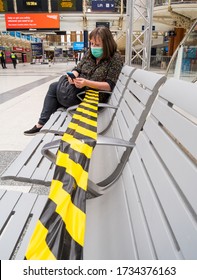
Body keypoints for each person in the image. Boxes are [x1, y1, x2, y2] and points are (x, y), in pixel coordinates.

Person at [24, 26, 123, 136]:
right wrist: (73, 76)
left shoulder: (115, 58)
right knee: (55, 86)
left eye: (97, 45)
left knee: (55, 87)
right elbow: (77, 68)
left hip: (92, 96)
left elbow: (109, 85)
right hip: (78, 89)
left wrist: (86, 83)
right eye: (92, 44)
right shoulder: (90, 54)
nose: (94, 47)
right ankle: (41, 123)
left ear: (107, 44)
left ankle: (43, 123)